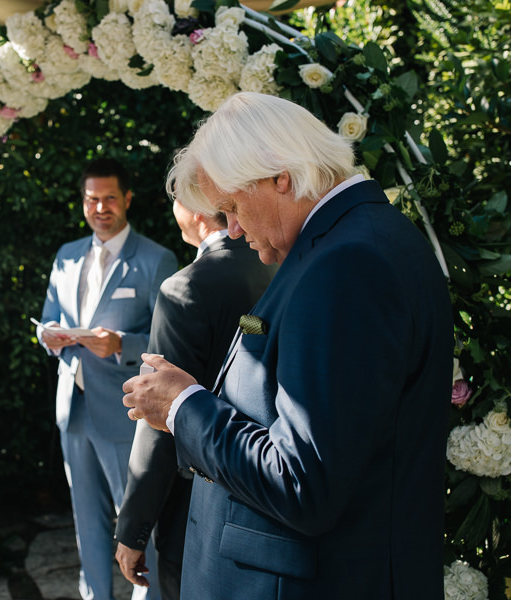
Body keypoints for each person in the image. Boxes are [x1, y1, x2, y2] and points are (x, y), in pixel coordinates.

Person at [121, 92, 453, 599]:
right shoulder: (352, 239)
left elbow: (303, 480)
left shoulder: (347, 264)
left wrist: (183, 406)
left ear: (280, 175)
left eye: (232, 207)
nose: (230, 229)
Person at [114, 198, 275, 599]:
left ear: (194, 207)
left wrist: (132, 530)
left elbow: (161, 417)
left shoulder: (185, 286)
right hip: (266, 481)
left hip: (198, 500)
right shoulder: (274, 261)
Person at [37, 158, 177, 600]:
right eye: (92, 199)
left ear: (128, 199)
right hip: (73, 408)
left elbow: (167, 341)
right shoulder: (66, 255)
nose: (100, 207)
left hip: (124, 412)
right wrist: (50, 337)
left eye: (109, 198)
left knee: (136, 523)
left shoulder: (156, 259)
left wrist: (121, 345)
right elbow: (47, 321)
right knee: (85, 519)